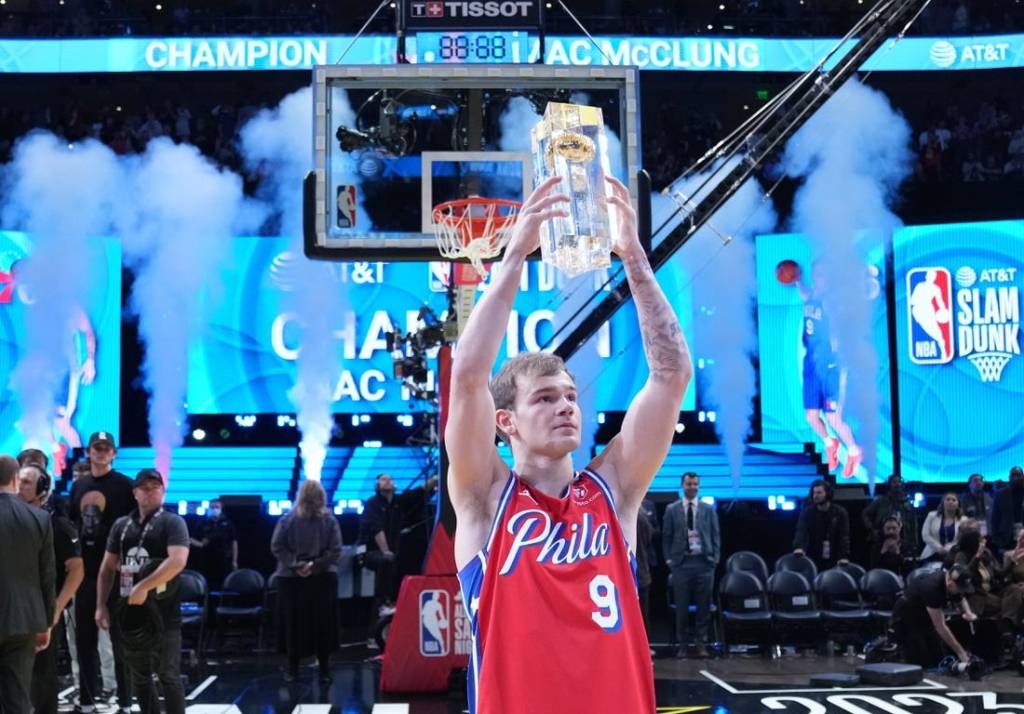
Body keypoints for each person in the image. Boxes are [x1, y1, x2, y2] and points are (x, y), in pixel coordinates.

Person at [447, 176, 692, 713]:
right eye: (545, 399)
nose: (565, 406)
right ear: (505, 421)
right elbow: (467, 376)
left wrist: (632, 256)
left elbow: (671, 374)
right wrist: (513, 257)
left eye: (570, 396)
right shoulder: (485, 498)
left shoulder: (614, 489)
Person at [96, 469, 189, 714]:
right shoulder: (122, 525)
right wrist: (100, 605)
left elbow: (178, 561)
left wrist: (143, 586)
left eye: (155, 487)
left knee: (168, 674)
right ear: (135, 493)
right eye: (144, 487)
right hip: (132, 614)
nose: (150, 491)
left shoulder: (172, 522)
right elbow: (106, 568)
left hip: (165, 612)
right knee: (140, 676)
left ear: (163, 491)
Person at [69, 431, 136, 714]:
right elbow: (73, 526)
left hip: (117, 573)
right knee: (84, 639)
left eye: (106, 448)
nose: (100, 452)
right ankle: (86, 700)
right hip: (85, 574)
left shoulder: (125, 485)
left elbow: (136, 528)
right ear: (89, 452)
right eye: (97, 448)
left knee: (121, 640)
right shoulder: (79, 486)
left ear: (114, 453)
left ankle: (124, 701)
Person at [17, 464, 83, 714]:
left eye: (25, 482)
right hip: (12, 608)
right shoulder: (8, 519)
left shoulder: (57, 524)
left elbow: (77, 570)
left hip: (42, 611)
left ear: (43, 489)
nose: (18, 486)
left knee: (40, 679)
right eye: (17, 481)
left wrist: (56, 608)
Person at [271, 479, 341, 684]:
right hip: (322, 578)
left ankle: (292, 670)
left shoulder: (286, 520)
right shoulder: (330, 521)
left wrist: (296, 565)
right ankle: (324, 670)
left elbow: (277, 547)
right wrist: (314, 566)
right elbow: (336, 551)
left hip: (291, 579)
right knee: (323, 624)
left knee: (293, 624)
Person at [0, 455, 56, 714]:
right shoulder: (40, 519)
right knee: (17, 697)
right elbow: (47, 575)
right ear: (14, 479)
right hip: (24, 620)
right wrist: (46, 621)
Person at [795, 264, 861, 478]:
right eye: (816, 275)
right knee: (811, 417)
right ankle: (829, 442)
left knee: (834, 418)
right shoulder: (813, 295)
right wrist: (795, 278)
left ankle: (853, 451)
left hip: (831, 365)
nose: (818, 278)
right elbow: (805, 296)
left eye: (822, 275)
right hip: (812, 364)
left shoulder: (833, 300)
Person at [358, 473, 437, 615]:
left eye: (390, 479)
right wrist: (386, 551)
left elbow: (420, 491)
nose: (388, 481)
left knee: (402, 562)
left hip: (392, 554)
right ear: (377, 486)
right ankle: (383, 603)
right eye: (383, 479)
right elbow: (377, 530)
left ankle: (399, 604)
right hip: (370, 552)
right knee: (387, 561)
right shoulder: (372, 504)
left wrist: (436, 476)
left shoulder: (398, 502)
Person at [663, 472, 720, 658]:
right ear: (682, 485)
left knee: (703, 606)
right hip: (682, 563)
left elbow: (715, 534)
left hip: (704, 562)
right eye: (689, 484)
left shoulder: (708, 509)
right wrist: (669, 560)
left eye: (695, 484)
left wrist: (714, 559)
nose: (692, 487)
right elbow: (667, 536)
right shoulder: (672, 509)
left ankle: (701, 643)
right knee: (682, 607)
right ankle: (683, 645)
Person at [891, 563, 976, 668]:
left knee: (938, 658)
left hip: (925, 616)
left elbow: (961, 598)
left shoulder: (953, 585)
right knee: (920, 663)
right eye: (960, 588)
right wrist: (961, 652)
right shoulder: (933, 588)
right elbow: (940, 626)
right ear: (950, 583)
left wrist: (968, 612)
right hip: (907, 617)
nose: (961, 591)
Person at [792, 478, 850, 572]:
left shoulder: (840, 512)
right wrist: (798, 547)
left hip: (834, 555)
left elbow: (844, 536)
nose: (815, 496)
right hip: (812, 555)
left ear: (827, 494)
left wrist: (843, 556)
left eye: (819, 493)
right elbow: (801, 531)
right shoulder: (807, 512)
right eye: (814, 493)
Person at [862, 474, 919, 554]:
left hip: (903, 542)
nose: (897, 484)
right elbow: (865, 514)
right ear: (889, 485)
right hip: (881, 540)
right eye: (894, 482)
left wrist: (914, 544)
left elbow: (913, 525)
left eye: (899, 482)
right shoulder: (881, 501)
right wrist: (872, 529)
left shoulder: (907, 504)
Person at [189, 499, 237, 589]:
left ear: (221, 508)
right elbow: (190, 539)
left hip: (224, 560)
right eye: (212, 507)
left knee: (224, 584)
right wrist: (200, 544)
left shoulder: (227, 523)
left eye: (217, 507)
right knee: (207, 584)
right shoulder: (202, 523)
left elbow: (234, 542)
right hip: (206, 560)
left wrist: (234, 561)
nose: (214, 509)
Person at [920, 492, 965, 563]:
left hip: (953, 555)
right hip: (932, 553)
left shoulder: (964, 520)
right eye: (948, 499)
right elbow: (925, 535)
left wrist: (949, 548)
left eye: (954, 500)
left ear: (958, 504)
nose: (950, 502)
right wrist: (939, 547)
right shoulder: (931, 516)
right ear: (943, 503)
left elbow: (962, 539)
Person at [991, 466, 1024, 555]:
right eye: (1013, 475)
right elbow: (995, 518)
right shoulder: (1001, 494)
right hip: (1006, 537)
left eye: (1018, 475)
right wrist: (996, 538)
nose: (1016, 478)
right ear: (1009, 477)